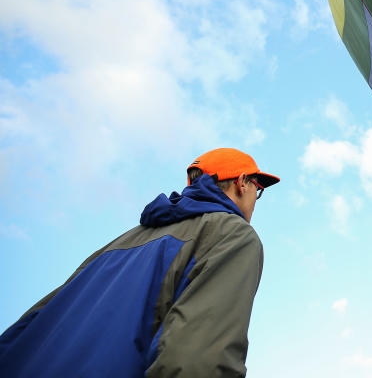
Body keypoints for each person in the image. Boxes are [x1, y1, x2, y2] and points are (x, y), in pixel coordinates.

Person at [0, 148, 279, 377]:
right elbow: (196, 362)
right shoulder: (232, 234)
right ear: (242, 182)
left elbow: (30, 325)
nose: (256, 199)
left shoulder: (117, 243)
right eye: (258, 188)